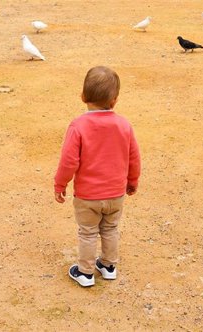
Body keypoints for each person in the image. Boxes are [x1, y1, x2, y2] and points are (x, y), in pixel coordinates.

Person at [53, 66, 141, 287]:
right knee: (110, 228)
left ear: (83, 97)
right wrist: (132, 181)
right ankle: (109, 266)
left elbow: (69, 161)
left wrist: (60, 183)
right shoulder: (124, 125)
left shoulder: (78, 126)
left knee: (88, 232)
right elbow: (134, 157)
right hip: (116, 193)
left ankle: (85, 272)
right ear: (115, 100)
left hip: (88, 196)